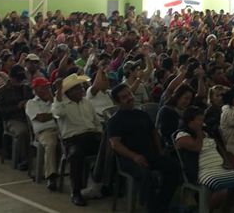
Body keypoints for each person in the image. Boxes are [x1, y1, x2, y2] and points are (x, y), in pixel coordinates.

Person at [108, 84, 180, 213]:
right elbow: (115, 144)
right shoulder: (115, 120)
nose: (129, 98)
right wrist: (134, 156)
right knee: (145, 173)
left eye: (129, 94)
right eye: (124, 97)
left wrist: (159, 150)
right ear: (118, 102)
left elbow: (154, 133)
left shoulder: (142, 114)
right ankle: (153, 208)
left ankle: (161, 203)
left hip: (149, 154)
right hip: (129, 159)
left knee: (174, 167)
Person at [175, 106, 234, 213]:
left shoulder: (207, 132)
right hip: (202, 170)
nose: (202, 122)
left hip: (219, 167)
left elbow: (220, 148)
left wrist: (227, 162)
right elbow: (197, 147)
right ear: (190, 121)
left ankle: (224, 209)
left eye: (202, 119)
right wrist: (199, 132)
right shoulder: (182, 135)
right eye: (199, 119)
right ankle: (210, 210)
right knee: (224, 191)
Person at [51, 73, 103, 206]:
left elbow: (97, 123)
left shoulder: (87, 103)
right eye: (78, 88)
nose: (82, 90)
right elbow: (58, 112)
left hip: (91, 136)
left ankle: (100, 183)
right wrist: (59, 93)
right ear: (69, 92)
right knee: (76, 155)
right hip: (73, 140)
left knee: (110, 148)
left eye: (81, 88)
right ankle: (76, 192)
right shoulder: (61, 103)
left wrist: (99, 133)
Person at [0, 64, 33, 170]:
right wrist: (17, 107)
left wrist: (28, 102)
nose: (20, 82)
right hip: (12, 119)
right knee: (22, 132)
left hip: (28, 117)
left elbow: (33, 100)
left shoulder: (25, 88)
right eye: (17, 80)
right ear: (11, 78)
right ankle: (24, 159)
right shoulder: (2, 92)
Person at [25, 77, 59, 190]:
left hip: (60, 129)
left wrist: (53, 101)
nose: (46, 89)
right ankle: (51, 176)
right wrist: (54, 114)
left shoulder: (53, 101)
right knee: (51, 143)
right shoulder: (31, 103)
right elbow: (41, 118)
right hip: (44, 132)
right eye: (43, 87)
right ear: (35, 89)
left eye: (47, 87)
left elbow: (62, 112)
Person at [156, 84, 194, 149]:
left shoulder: (187, 111)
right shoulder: (166, 111)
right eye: (186, 98)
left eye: (190, 99)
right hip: (173, 147)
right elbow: (167, 135)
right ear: (178, 96)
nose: (188, 102)